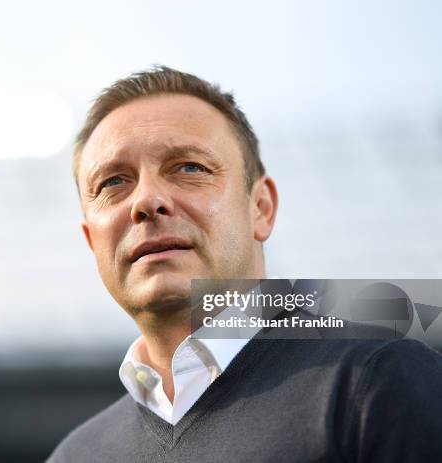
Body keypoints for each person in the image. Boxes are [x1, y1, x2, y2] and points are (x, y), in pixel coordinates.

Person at [47, 66, 442, 462]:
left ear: (261, 208)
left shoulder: (379, 379)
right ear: (91, 240)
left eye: (189, 168)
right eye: (113, 182)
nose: (147, 201)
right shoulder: (74, 456)